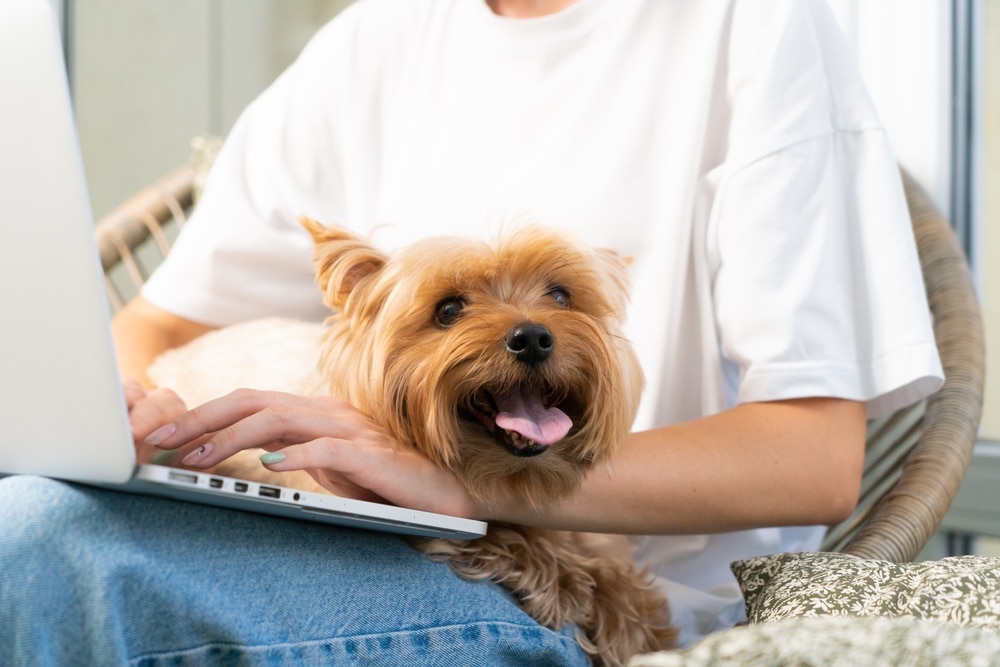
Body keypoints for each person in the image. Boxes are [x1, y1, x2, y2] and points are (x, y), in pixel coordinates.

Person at [2, 0, 944, 663]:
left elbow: (813, 456)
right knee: (35, 526)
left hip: (587, 607)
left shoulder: (752, 24)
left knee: (46, 557)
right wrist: (142, 412)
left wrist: (465, 481)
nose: (523, 327)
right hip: (357, 544)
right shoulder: (371, 42)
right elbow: (157, 322)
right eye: (455, 307)